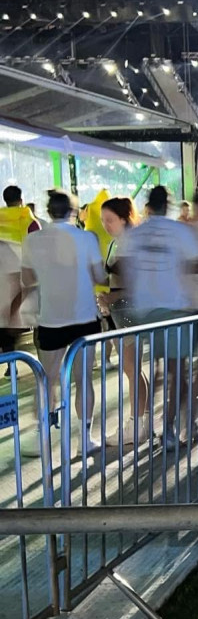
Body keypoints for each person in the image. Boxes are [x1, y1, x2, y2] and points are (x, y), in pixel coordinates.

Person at [112, 185, 198, 449]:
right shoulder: (179, 231)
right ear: (169, 206)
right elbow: (196, 264)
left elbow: (124, 269)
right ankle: (168, 428)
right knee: (176, 374)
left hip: (144, 311)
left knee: (155, 371)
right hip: (174, 310)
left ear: (148, 206)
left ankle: (149, 425)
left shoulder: (135, 234)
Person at [21, 189, 106, 452]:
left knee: (47, 380)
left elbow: (27, 279)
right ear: (73, 211)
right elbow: (100, 277)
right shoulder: (86, 238)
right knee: (83, 380)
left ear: (48, 211)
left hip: (51, 318)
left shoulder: (32, 240)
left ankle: (43, 438)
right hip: (84, 317)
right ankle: (84, 440)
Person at [97, 197, 151, 447]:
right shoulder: (117, 243)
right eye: (102, 220)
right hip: (119, 311)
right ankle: (140, 422)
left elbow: (137, 284)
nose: (105, 225)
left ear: (124, 218)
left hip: (129, 309)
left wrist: (112, 297)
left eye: (110, 220)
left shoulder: (131, 243)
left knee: (131, 369)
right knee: (133, 369)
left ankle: (135, 424)